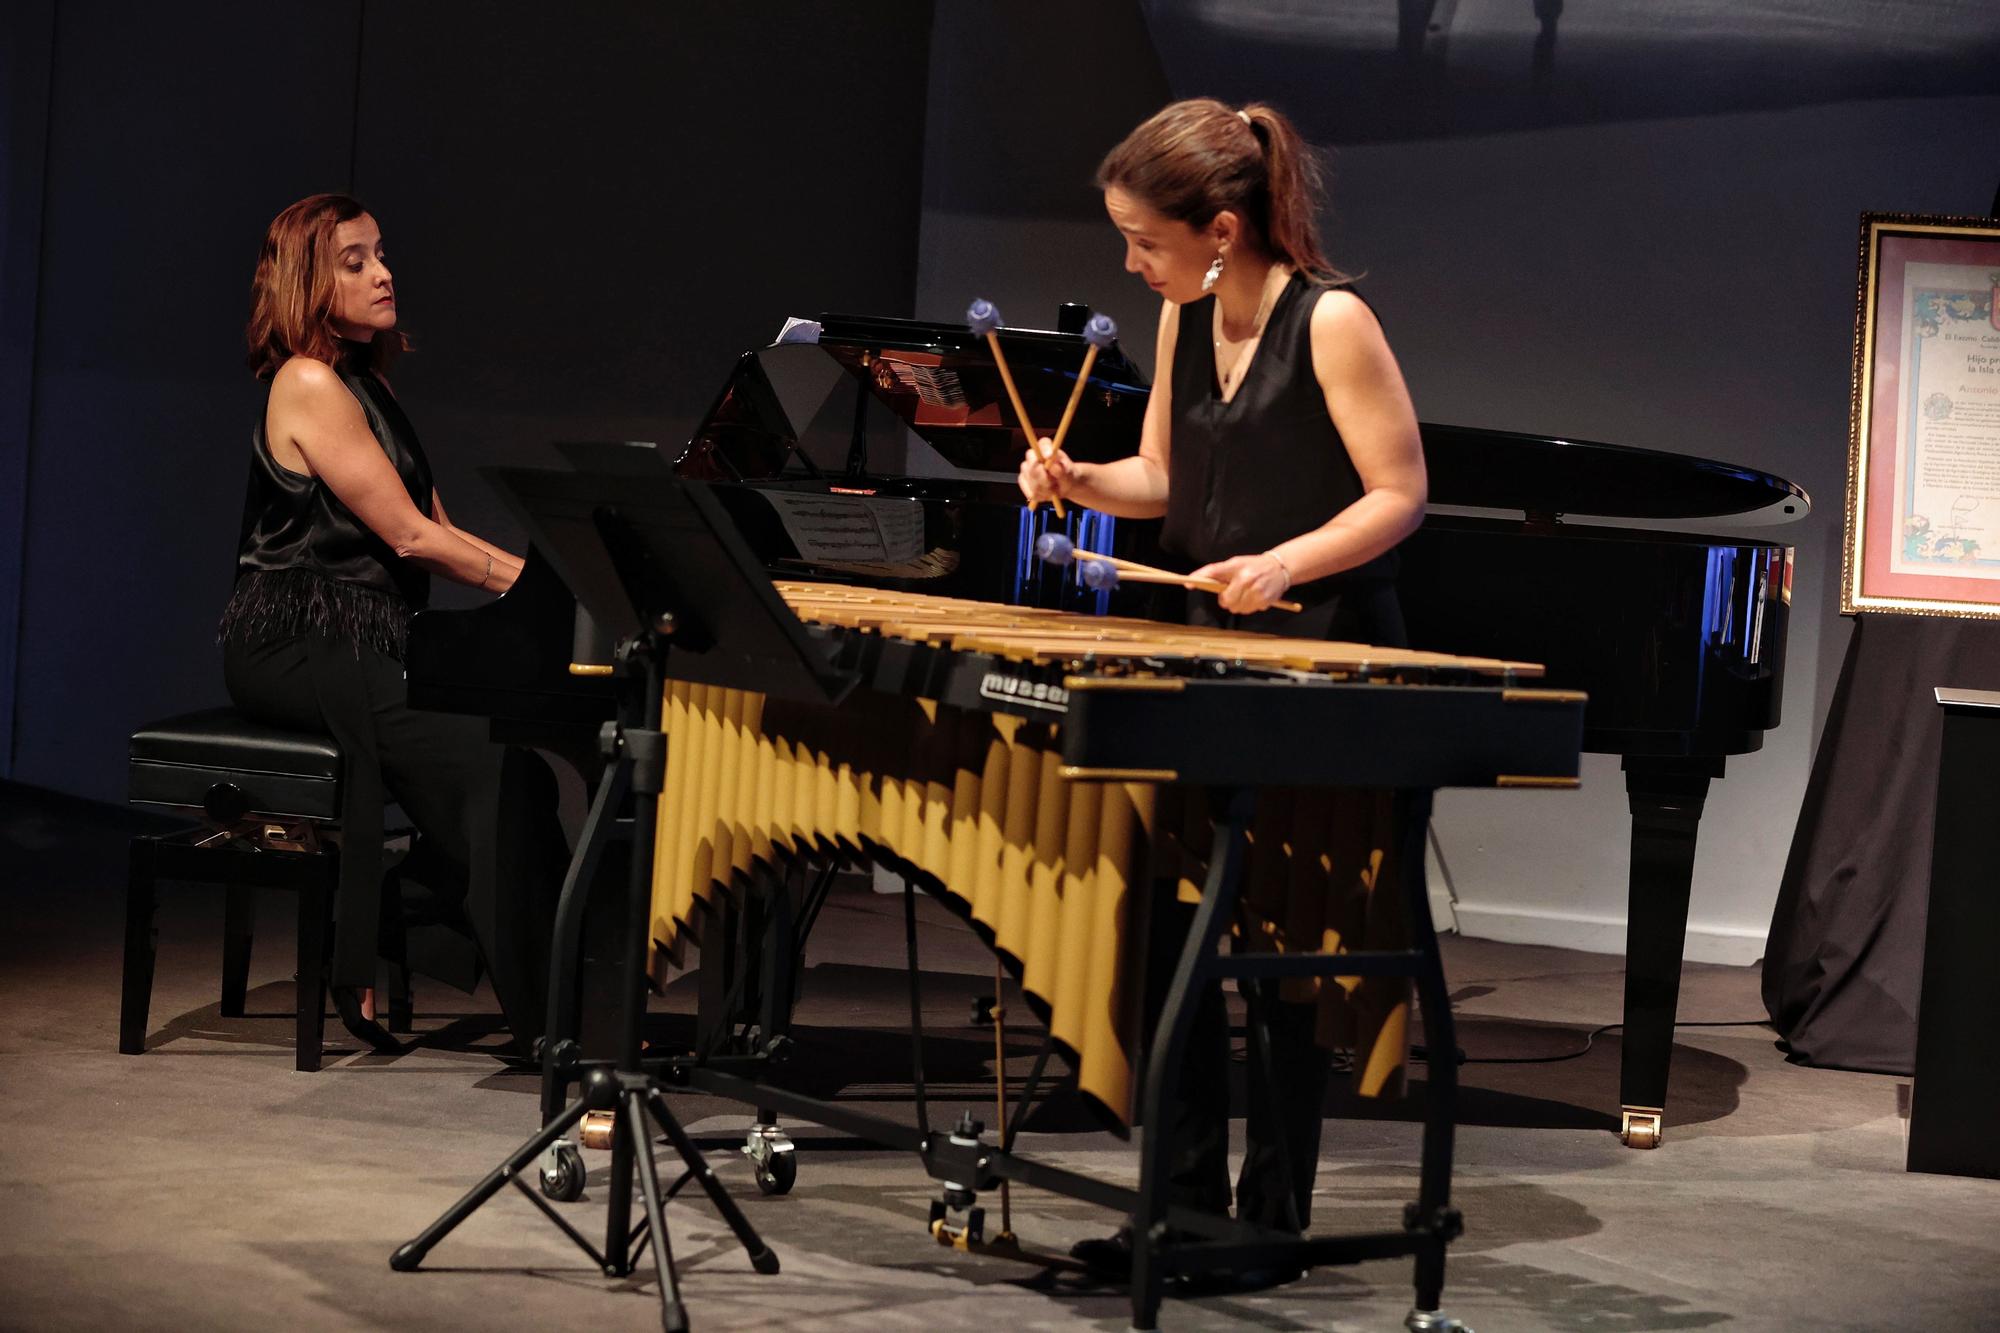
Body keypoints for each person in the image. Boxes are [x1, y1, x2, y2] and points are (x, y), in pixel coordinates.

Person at [1017, 99, 1428, 1285]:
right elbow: (1160, 472)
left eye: (1143, 239)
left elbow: (1397, 492)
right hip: (1210, 659)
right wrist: (1077, 477)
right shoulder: (1180, 312)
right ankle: (1181, 1208)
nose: (1129, 260)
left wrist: (1283, 561)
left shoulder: (1331, 320)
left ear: (1222, 228)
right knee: (1177, 935)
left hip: (1325, 668)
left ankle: (1269, 1222)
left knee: (1284, 947)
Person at [220, 193, 567, 1056]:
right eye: (356, 261)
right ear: (310, 280)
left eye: (382, 255)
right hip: (299, 640)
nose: (383, 273)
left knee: (517, 763)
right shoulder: (306, 382)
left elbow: (438, 532)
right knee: (487, 769)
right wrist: (553, 591)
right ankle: (559, 1024)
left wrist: (542, 587)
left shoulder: (368, 387)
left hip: (370, 632)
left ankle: (400, 929)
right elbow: (410, 537)